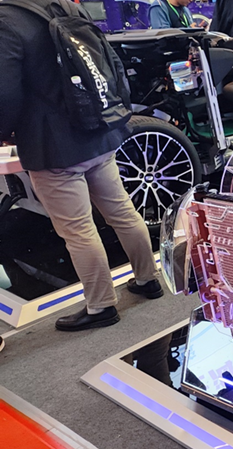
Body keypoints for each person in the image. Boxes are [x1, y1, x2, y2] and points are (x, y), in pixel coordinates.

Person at [0, 0, 164, 332]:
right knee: (121, 211)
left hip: (52, 144)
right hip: (96, 129)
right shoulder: (64, 5)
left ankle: (101, 306)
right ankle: (148, 279)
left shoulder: (6, 19)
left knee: (78, 230)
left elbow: (5, 92)